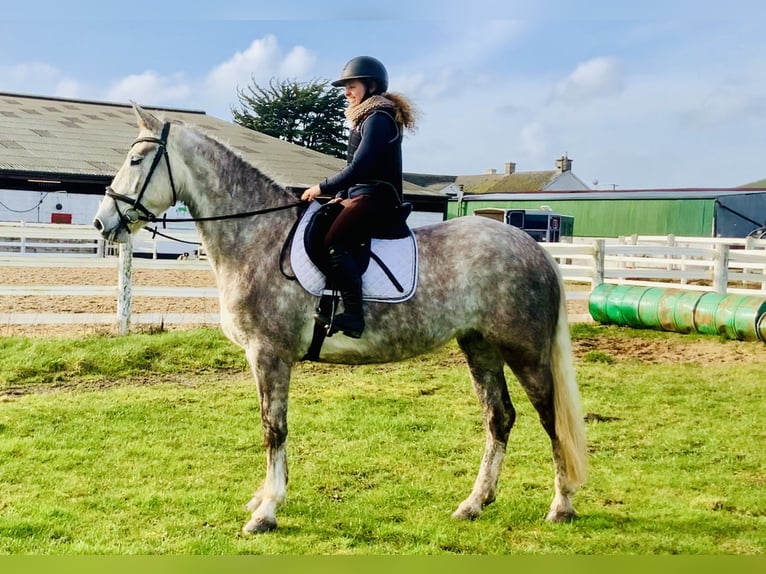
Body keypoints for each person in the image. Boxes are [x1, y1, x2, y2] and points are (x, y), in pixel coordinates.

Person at [301, 56, 417, 338]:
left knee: (335, 241)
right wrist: (339, 195)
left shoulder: (379, 118)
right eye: (345, 88)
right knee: (318, 227)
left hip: (378, 198)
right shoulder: (364, 118)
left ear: (371, 85)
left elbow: (361, 167)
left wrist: (322, 187)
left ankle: (353, 315)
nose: (347, 93)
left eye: (351, 86)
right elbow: (355, 171)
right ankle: (329, 298)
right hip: (360, 195)